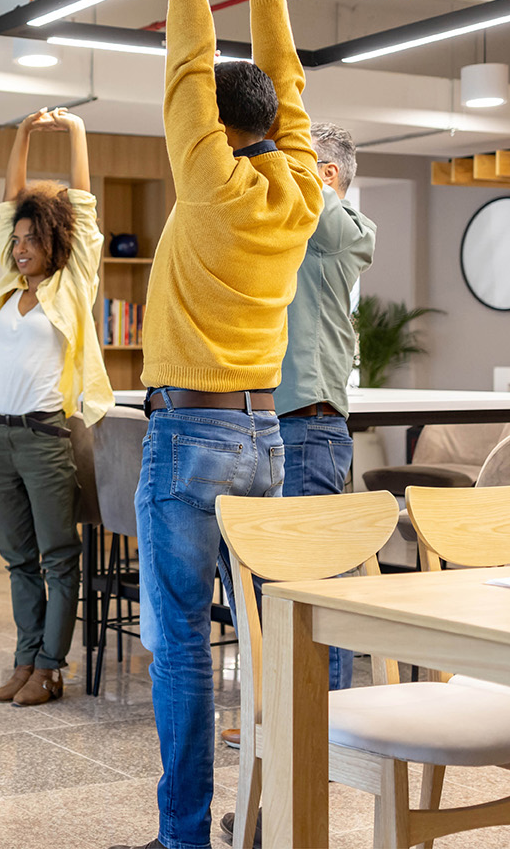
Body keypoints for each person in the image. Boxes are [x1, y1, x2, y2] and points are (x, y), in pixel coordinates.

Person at [111, 0, 323, 849]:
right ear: (271, 127)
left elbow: (186, 68)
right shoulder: (304, 190)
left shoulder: (208, 179)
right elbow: (287, 86)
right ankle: (265, 818)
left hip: (189, 436)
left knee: (183, 652)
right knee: (262, 641)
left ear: (216, 127)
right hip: (264, 437)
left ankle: (185, 836)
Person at [213, 123, 377, 803]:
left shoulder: (341, 229)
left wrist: (301, 163)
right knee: (271, 595)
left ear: (327, 177)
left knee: (314, 598)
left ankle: (321, 737)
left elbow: (333, 216)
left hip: (309, 428)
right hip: (266, 427)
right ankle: (285, 721)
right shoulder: (291, 230)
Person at [0, 106, 113, 708]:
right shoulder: (10, 286)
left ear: (55, 242)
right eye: (18, 237)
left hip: (45, 435)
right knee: (16, 558)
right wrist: (22, 133)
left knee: (58, 557)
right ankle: (25, 659)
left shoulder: (73, 283)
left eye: (33, 237)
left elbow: (81, 207)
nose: (22, 244)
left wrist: (77, 132)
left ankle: (51, 669)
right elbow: (11, 202)